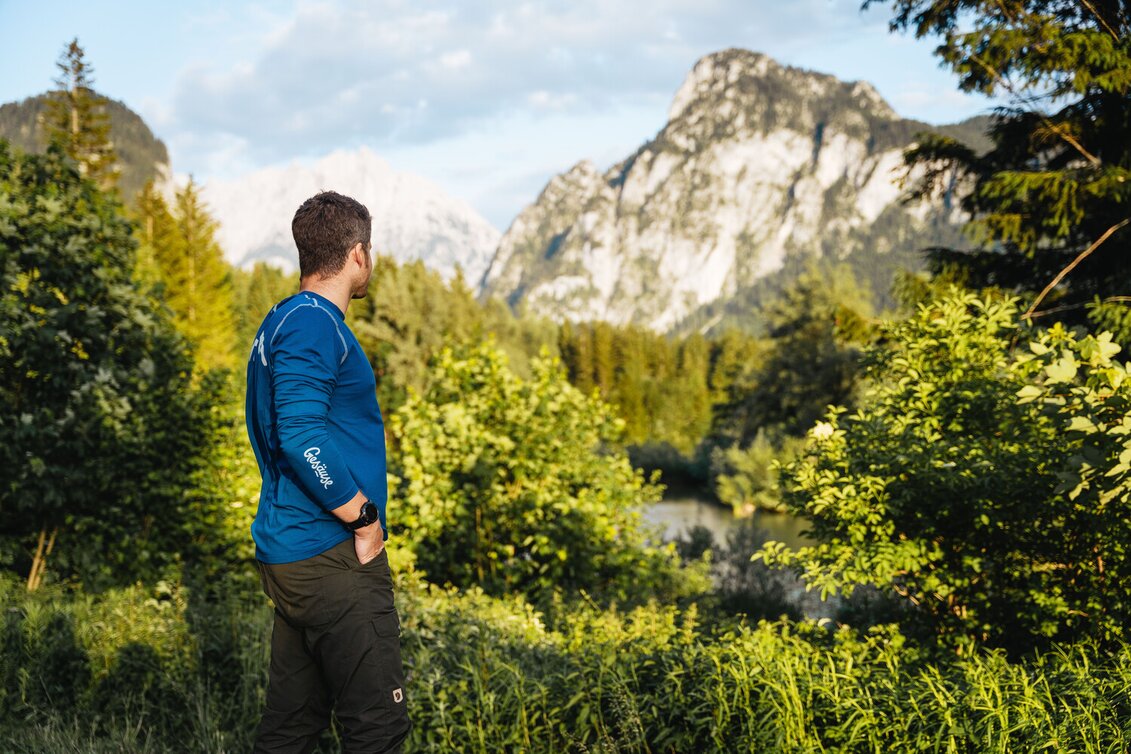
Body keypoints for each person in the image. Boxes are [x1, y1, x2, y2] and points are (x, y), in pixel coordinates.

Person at [245, 190, 411, 753]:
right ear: (358, 253)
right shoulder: (315, 323)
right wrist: (363, 519)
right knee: (378, 729)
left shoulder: (282, 321)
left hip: (295, 554)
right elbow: (300, 435)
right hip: (331, 554)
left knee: (291, 729)